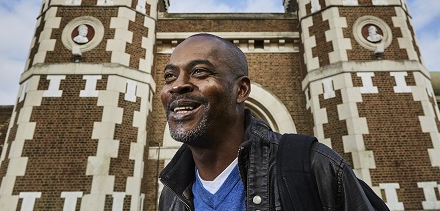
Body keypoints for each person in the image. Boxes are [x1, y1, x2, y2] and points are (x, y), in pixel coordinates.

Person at [159, 33, 382, 210]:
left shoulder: (315, 167)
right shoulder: (172, 194)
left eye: (199, 71)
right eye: (170, 76)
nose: (177, 85)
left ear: (242, 89)